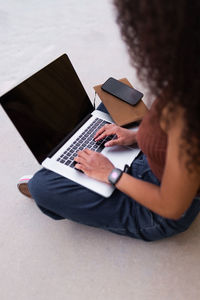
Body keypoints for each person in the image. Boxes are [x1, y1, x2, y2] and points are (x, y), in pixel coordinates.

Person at [18, 0, 200, 241]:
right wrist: (136, 137)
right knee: (112, 100)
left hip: (158, 209)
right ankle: (73, 165)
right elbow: (170, 131)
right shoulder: (190, 71)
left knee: (43, 188)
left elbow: (171, 206)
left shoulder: (189, 117)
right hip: (158, 161)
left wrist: (111, 174)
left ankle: (64, 177)